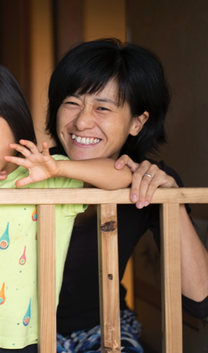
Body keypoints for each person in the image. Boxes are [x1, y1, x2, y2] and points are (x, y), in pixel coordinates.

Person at [0, 60, 133, 353]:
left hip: (28, 336)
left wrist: (60, 171)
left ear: (13, 118)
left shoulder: (51, 174)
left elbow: (123, 176)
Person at [47, 38, 208, 353]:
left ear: (137, 122)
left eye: (103, 107)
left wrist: (171, 201)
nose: (81, 121)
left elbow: (200, 299)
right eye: (72, 102)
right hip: (20, 331)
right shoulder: (29, 174)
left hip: (105, 330)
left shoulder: (147, 181)